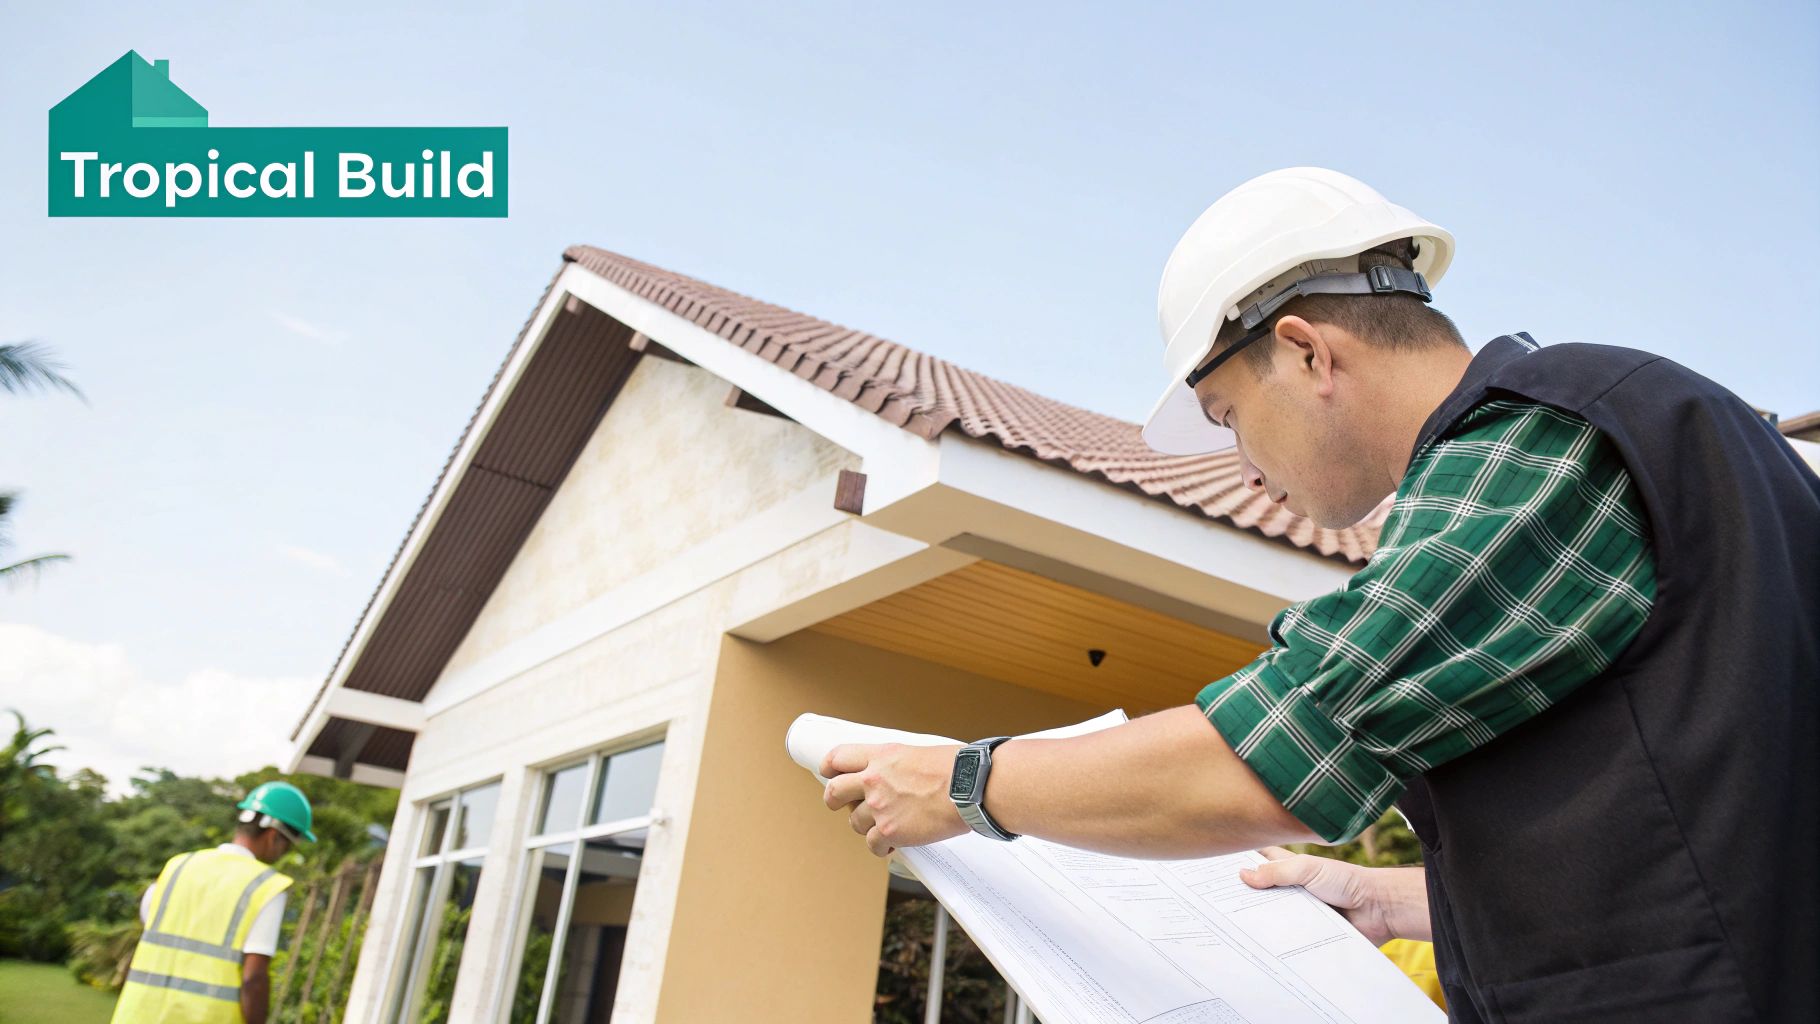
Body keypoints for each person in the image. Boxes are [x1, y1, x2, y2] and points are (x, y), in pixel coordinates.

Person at [820, 168, 1817, 1021]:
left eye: (1226, 414)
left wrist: (964, 782)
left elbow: (1273, 756)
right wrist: (1383, 897)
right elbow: (1687, 845)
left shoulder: (1549, 445)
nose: (1242, 467)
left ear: (1304, 352)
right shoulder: (1664, 439)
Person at [112, 781, 316, 1024]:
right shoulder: (266, 886)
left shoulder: (178, 866)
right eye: (288, 846)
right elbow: (254, 978)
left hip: (137, 1015)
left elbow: (153, 924)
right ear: (274, 836)